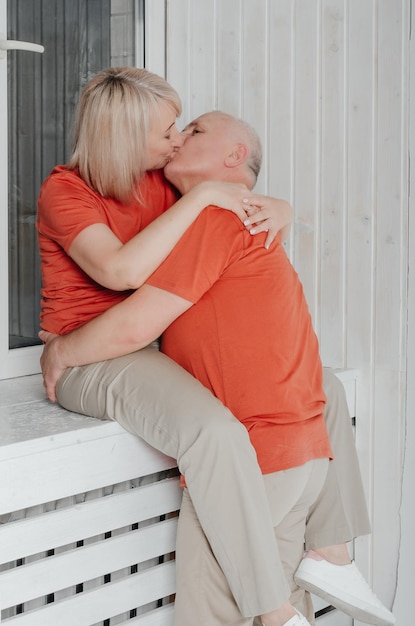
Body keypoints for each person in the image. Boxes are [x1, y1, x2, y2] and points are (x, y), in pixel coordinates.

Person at [38, 109, 395, 626]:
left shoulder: (196, 205)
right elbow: (123, 273)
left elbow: (140, 321)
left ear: (231, 158)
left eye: (192, 130)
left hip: (239, 439)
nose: (179, 139)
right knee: (232, 446)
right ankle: (310, 576)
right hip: (283, 448)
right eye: (170, 130)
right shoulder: (190, 205)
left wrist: (277, 206)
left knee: (324, 387)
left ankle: (323, 562)